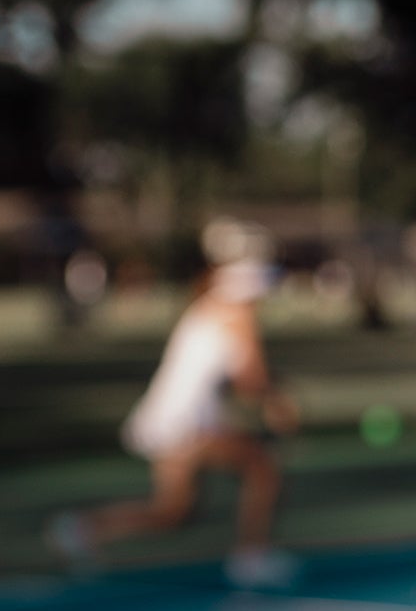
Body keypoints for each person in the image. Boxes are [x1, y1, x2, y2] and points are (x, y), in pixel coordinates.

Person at [49, 234, 301, 589]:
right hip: (186, 422)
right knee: (261, 468)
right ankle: (251, 558)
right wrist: (277, 401)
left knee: (173, 512)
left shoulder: (207, 308)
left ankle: (84, 528)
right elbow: (251, 380)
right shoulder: (235, 316)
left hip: (168, 417)